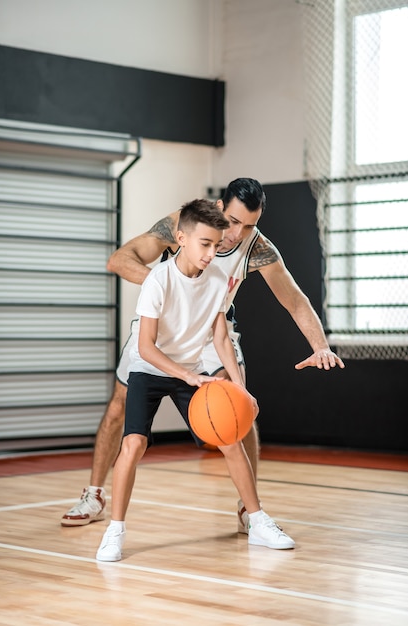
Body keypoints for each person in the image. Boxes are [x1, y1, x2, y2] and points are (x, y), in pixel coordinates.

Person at [61, 177, 344, 531]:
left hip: (215, 329)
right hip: (163, 325)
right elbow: (120, 259)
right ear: (221, 208)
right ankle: (95, 494)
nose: (238, 232)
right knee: (120, 404)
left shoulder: (257, 248)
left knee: (238, 408)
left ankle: (248, 509)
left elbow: (294, 299)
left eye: (250, 225)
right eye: (235, 221)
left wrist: (320, 346)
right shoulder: (184, 224)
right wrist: (167, 287)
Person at [95, 199, 295, 562]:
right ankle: (115, 530)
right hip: (150, 369)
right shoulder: (158, 279)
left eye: (216, 245)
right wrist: (187, 375)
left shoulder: (218, 278)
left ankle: (258, 520)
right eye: (204, 244)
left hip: (190, 371)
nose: (211, 253)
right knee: (133, 445)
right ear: (181, 238)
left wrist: (240, 388)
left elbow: (220, 338)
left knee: (230, 439)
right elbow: (146, 346)